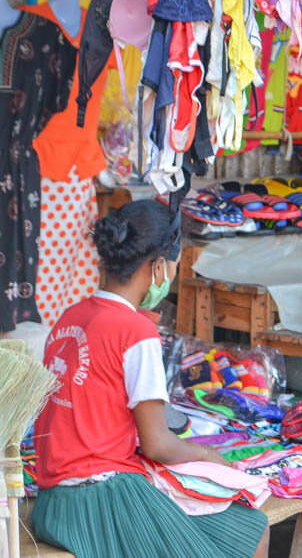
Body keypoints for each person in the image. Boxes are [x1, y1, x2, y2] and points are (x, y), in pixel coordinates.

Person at [31, 200, 269, 558]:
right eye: (173, 265)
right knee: (252, 530)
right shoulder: (136, 331)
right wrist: (209, 455)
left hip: (51, 500)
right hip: (100, 499)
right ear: (158, 265)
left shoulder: (70, 317)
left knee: (245, 529)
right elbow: (157, 444)